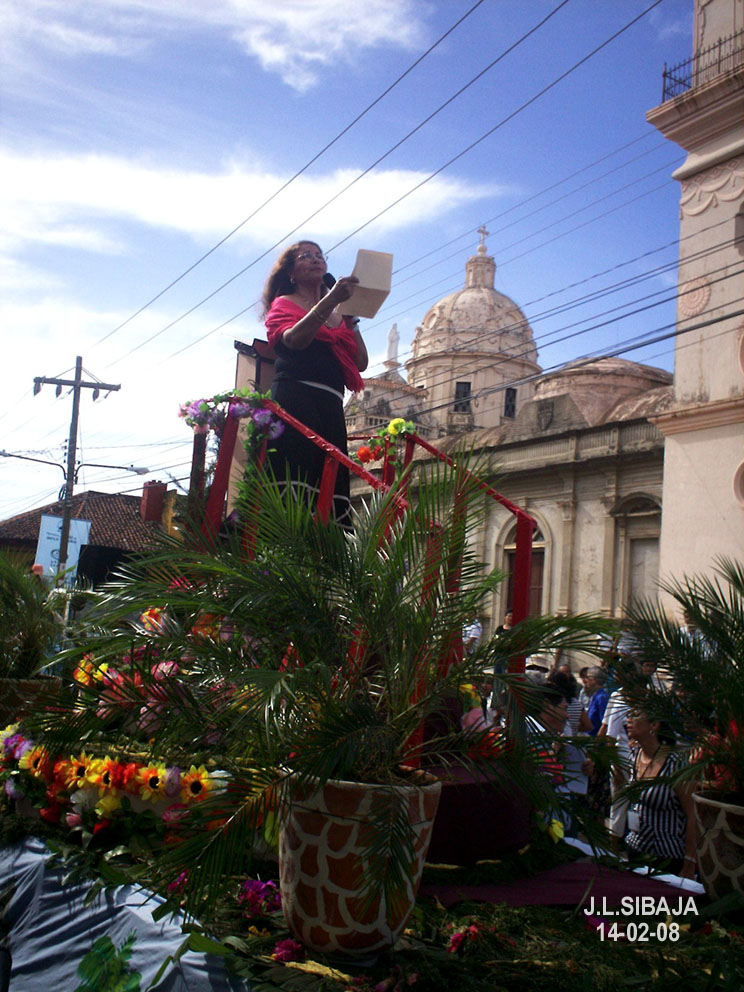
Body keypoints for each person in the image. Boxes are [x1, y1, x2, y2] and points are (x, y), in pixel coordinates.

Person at [262, 241, 368, 525]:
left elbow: (361, 363)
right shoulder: (284, 303)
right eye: (305, 256)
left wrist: (351, 317)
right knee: (296, 478)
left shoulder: (339, 312)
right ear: (291, 273)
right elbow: (295, 339)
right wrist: (331, 300)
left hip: (331, 407)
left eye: (320, 255)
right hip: (296, 400)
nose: (315, 259)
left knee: (329, 482)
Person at [624, 709, 697, 878]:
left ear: (654, 725)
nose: (628, 720)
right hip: (635, 848)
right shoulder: (634, 756)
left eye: (635, 716)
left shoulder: (676, 764)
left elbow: (692, 815)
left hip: (666, 856)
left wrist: (689, 864)